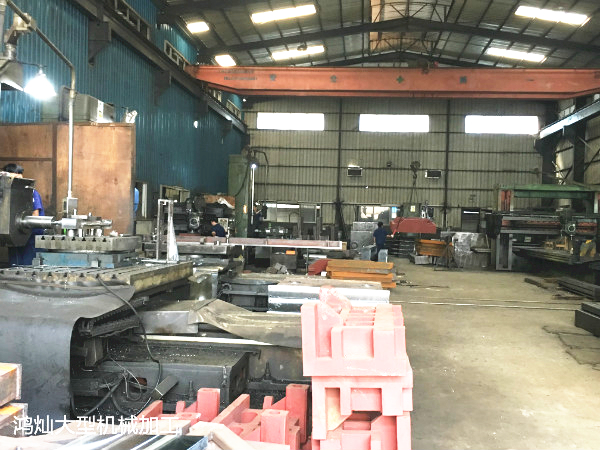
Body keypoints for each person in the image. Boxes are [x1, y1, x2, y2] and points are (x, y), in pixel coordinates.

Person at [2, 163, 45, 265]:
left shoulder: (30, 192)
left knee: (30, 268)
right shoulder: (7, 193)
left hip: (32, 238)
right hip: (14, 237)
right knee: (15, 267)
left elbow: (35, 215)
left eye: (19, 178)